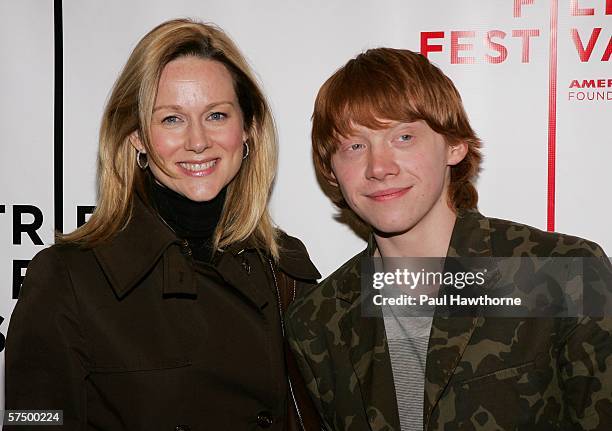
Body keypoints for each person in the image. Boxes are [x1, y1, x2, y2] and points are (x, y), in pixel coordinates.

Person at [6, 19, 321, 430]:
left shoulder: (283, 265)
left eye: (217, 115)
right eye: (171, 119)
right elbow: (30, 423)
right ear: (136, 135)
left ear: (248, 129)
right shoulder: (68, 277)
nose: (197, 141)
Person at [286, 48, 612, 430]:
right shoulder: (319, 319)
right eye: (354, 146)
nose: (378, 168)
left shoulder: (563, 274)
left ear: (455, 146)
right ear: (331, 170)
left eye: (404, 137)